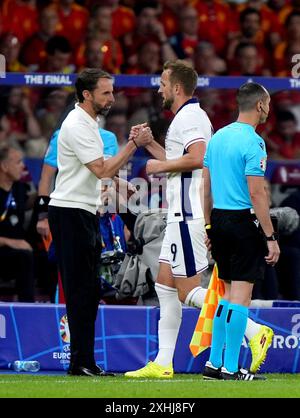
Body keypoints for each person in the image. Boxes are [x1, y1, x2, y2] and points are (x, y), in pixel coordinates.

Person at [125, 61, 273, 379]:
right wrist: (150, 145)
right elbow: (187, 159)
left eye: (163, 83)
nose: (159, 88)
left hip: (190, 213)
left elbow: (197, 158)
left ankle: (253, 331)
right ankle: (164, 362)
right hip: (186, 212)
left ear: (177, 87)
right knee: (165, 284)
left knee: (186, 290)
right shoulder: (187, 118)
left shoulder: (191, 117)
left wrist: (155, 167)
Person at [48, 68, 152, 377]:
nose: (112, 97)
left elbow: (99, 171)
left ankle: (85, 361)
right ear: (86, 95)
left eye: (112, 91)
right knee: (81, 289)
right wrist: (133, 144)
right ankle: (79, 362)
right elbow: (100, 169)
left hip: (83, 211)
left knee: (89, 289)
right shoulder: (78, 124)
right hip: (70, 213)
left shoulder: (89, 122)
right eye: (106, 92)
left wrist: (119, 183)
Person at [202, 82, 280, 381]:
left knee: (226, 295)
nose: (269, 109)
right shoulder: (254, 141)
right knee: (241, 298)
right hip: (242, 222)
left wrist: (209, 225)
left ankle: (214, 363)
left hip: (219, 219)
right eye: (268, 104)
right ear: (260, 105)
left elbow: (206, 188)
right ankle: (231, 368)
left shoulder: (218, 137)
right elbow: (257, 193)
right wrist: (270, 237)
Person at [0, 140, 35, 302]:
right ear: (4, 166)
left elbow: (31, 202)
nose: (23, 167)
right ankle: (27, 310)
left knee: (51, 256)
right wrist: (11, 242)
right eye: (18, 162)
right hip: (5, 252)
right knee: (24, 256)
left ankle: (56, 305)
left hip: (22, 248)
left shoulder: (20, 188)